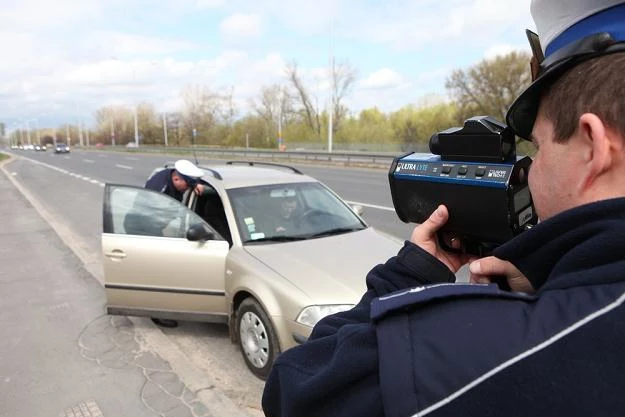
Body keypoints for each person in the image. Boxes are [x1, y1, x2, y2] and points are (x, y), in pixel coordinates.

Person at [262, 1, 625, 416]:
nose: (532, 168)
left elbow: (295, 388)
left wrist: (407, 276)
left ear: (593, 147)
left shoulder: (467, 353)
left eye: (539, 147)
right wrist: (555, 279)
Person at [144, 159, 206, 328]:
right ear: (177, 179)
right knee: (157, 273)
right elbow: (154, 219)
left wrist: (196, 185)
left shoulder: (176, 177)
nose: (188, 188)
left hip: (158, 225)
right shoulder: (158, 191)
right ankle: (156, 313)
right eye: (187, 185)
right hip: (146, 228)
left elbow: (190, 180)